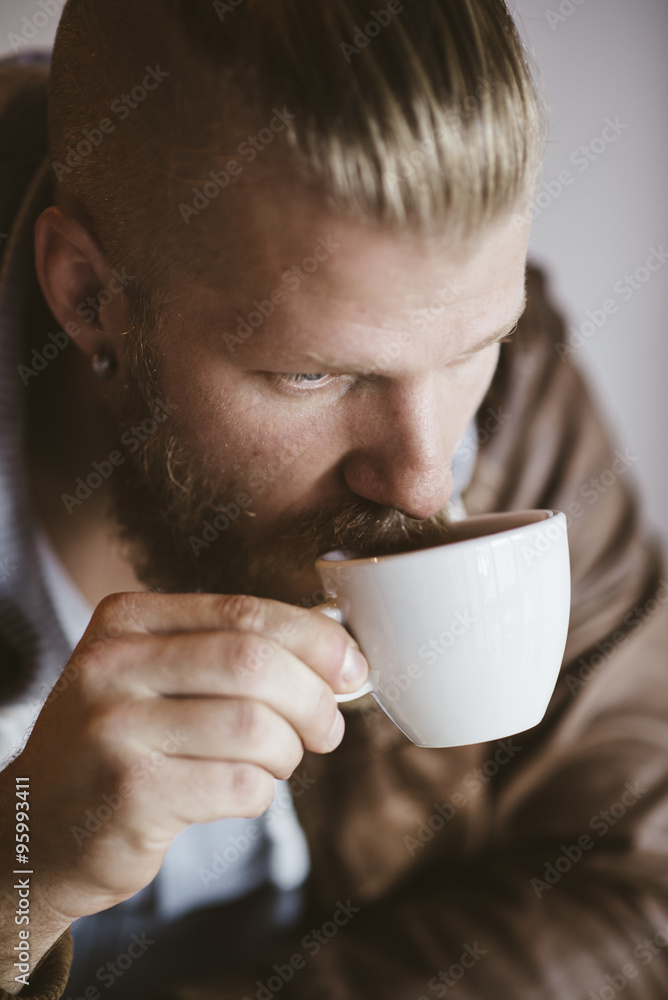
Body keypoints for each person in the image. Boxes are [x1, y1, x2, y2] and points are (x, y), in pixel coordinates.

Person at [0, 1, 667, 998]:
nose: (425, 478)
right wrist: (19, 876)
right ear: (88, 296)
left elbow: (637, 884)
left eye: (470, 349)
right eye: (312, 375)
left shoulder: (516, 406)